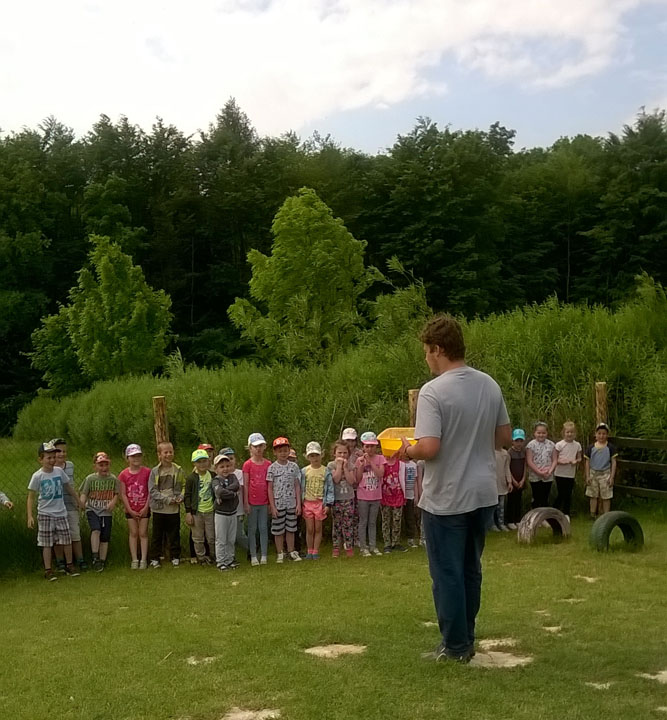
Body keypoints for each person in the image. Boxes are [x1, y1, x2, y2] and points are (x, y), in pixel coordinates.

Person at [397, 314, 511, 663]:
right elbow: (504, 438)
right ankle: (466, 638)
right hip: (483, 493)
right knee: (470, 569)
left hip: (447, 496)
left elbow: (429, 447)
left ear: (438, 349)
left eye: (426, 351)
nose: (426, 358)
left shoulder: (433, 391)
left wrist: (408, 451)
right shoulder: (489, 384)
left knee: (447, 573)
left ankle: (455, 647)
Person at [27, 441, 83, 580]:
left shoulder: (59, 472)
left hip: (61, 512)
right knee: (46, 543)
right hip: (45, 513)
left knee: (66, 540)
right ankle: (48, 570)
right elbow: (31, 497)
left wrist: (78, 500)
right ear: (41, 459)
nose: (52, 460)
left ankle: (69, 565)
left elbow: (68, 487)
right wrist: (30, 516)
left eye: (53, 457)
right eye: (48, 458)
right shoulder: (37, 476)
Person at [80, 452, 120, 572]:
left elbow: (117, 493)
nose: (104, 468)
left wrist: (113, 502)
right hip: (93, 509)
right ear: (95, 466)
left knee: (105, 536)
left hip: (106, 511)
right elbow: (84, 493)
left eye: (106, 465)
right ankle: (95, 556)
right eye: (101, 465)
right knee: (96, 529)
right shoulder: (90, 479)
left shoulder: (113, 479)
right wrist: (82, 503)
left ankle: (102, 560)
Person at [148, 441, 185, 568]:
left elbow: (184, 485)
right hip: (159, 508)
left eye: (171, 452)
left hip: (173, 509)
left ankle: (175, 556)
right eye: (165, 452)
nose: (168, 454)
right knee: (157, 535)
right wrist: (167, 500)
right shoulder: (155, 471)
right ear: (159, 455)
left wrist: (181, 497)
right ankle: (155, 558)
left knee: (174, 534)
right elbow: (152, 491)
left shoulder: (178, 469)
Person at [52, 438, 86, 571]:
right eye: (59, 451)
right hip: (56, 507)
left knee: (75, 534)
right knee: (58, 536)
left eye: (64, 451)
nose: (62, 454)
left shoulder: (70, 465)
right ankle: (60, 561)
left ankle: (80, 560)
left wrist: (78, 501)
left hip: (70, 504)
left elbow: (71, 485)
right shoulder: (50, 468)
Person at [267, 436, 302, 563]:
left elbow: (297, 486)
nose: (283, 453)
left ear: (289, 451)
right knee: (278, 530)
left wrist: (298, 504)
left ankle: (291, 551)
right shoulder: (272, 468)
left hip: (291, 503)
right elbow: (270, 488)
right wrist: (272, 506)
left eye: (285, 451)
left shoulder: (294, 466)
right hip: (278, 504)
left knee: (291, 528)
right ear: (275, 452)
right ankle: (280, 552)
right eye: (280, 451)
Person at [118, 443, 151, 569]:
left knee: (143, 533)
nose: (136, 458)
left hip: (144, 507)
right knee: (133, 533)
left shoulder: (147, 472)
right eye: (133, 456)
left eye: (138, 456)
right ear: (127, 458)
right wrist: (129, 509)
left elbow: (150, 491)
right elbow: (123, 493)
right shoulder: (123, 475)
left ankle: (143, 559)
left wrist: (146, 507)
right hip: (131, 508)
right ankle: (134, 559)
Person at [300, 441, 334, 559]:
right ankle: (309, 550)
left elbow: (330, 488)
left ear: (321, 455)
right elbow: (300, 487)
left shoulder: (326, 471)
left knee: (318, 528)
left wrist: (328, 504)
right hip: (307, 503)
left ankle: (315, 551)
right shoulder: (304, 471)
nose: (315, 458)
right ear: (307, 457)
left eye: (317, 455)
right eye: (312, 456)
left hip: (320, 503)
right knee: (310, 528)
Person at [355, 431, 385, 557]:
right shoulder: (359, 460)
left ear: (376, 447)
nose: (370, 449)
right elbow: (357, 479)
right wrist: (362, 465)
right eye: (367, 446)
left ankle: (373, 546)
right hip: (363, 496)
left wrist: (371, 462)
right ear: (363, 447)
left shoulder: (380, 458)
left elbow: (380, 474)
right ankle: (363, 547)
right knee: (363, 521)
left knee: (372, 522)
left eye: (372, 446)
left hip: (376, 495)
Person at [243, 433, 271, 566]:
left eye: (260, 446)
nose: (258, 449)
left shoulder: (268, 464)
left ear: (264, 446)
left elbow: (270, 485)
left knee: (263, 528)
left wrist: (270, 503)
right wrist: (246, 502)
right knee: (252, 529)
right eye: (255, 446)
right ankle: (253, 555)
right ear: (250, 448)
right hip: (252, 502)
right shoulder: (247, 465)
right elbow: (246, 484)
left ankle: (264, 555)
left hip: (264, 502)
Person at [184, 449, 216, 565]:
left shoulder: (213, 476)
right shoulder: (191, 478)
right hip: (196, 512)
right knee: (198, 537)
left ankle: (213, 555)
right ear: (194, 463)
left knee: (211, 537)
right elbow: (187, 495)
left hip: (210, 511)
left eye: (204, 461)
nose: (202, 464)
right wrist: (188, 512)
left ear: (208, 461)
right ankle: (201, 557)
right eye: (199, 462)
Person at [212, 453, 240, 571]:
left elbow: (236, 486)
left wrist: (224, 492)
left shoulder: (233, 477)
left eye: (227, 466)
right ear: (216, 469)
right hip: (221, 514)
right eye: (222, 467)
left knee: (231, 539)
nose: (225, 469)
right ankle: (221, 561)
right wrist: (232, 494)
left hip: (232, 512)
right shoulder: (215, 480)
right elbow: (219, 492)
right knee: (221, 539)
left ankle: (230, 559)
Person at [329, 441, 357, 557]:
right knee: (337, 524)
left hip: (349, 499)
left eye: (345, 453)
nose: (342, 455)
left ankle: (349, 546)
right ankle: (336, 547)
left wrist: (345, 468)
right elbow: (336, 479)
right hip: (336, 499)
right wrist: (339, 466)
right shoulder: (331, 465)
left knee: (348, 523)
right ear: (334, 453)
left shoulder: (351, 465)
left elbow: (351, 481)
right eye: (339, 452)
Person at [585, 422, 618, 518]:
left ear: (607, 435)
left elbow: (614, 462)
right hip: (593, 473)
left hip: (605, 473)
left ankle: (606, 515)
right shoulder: (591, 447)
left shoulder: (610, 447)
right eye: (599, 433)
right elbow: (587, 462)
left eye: (604, 434)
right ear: (595, 434)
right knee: (593, 495)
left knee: (606, 496)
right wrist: (587, 476)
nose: (601, 436)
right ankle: (592, 514)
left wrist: (612, 477)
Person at [219, 447, 248, 554]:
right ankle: (229, 555)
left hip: (238, 510)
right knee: (226, 535)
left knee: (239, 535)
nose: (229, 462)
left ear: (235, 459)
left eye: (231, 458)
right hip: (224, 511)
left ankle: (252, 549)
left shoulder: (240, 473)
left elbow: (241, 488)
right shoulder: (219, 476)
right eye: (226, 459)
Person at [554, 421, 582, 519]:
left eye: (571, 432)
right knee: (561, 494)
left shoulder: (577, 445)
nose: (569, 434)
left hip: (570, 474)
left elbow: (579, 458)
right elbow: (554, 459)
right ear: (563, 433)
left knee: (568, 494)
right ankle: (554, 511)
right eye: (567, 432)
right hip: (560, 473)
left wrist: (576, 461)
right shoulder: (559, 444)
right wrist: (561, 461)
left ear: (575, 433)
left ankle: (566, 514)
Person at [526, 422, 557, 509]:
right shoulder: (530, 445)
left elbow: (554, 460)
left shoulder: (551, 444)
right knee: (536, 497)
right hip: (535, 476)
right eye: (539, 433)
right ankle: (535, 515)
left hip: (548, 476)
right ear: (534, 433)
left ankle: (544, 515)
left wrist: (549, 472)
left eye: (543, 433)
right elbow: (529, 461)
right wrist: (539, 472)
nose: (541, 435)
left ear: (547, 433)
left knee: (545, 498)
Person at [381, 451, 407, 553]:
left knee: (397, 520)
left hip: (398, 496)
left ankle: (396, 542)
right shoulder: (382, 462)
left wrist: (404, 495)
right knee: (386, 520)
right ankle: (387, 543)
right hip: (385, 496)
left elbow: (403, 479)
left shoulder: (401, 464)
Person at [505, 429, 527, 529]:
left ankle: (518, 519)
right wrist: (513, 481)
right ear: (512, 441)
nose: (519, 443)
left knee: (519, 500)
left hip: (521, 480)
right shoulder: (509, 452)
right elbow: (508, 467)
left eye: (521, 441)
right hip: (512, 480)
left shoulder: (524, 451)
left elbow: (525, 466)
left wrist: (523, 479)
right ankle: (510, 520)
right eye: (516, 441)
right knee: (511, 501)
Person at [403, 456, 422, 547]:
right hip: (401, 494)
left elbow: (415, 481)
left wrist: (416, 496)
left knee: (410, 517)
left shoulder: (413, 465)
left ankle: (411, 538)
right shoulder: (400, 464)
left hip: (411, 494)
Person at [492, 448, 512, 531]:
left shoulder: (505, 453)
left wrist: (509, 482)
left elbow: (507, 468)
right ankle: (492, 524)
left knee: (501, 506)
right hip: (493, 483)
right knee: (493, 506)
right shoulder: (490, 452)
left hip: (502, 483)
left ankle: (501, 523)